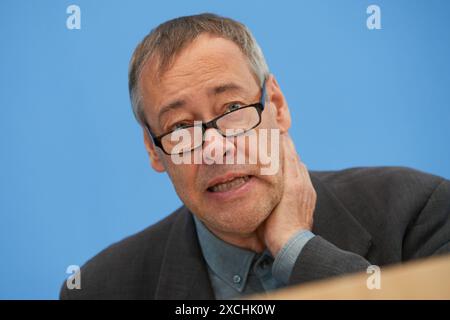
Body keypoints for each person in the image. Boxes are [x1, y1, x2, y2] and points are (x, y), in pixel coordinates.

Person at [60, 13, 450, 300]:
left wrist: (298, 249)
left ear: (276, 105)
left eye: (232, 110)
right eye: (180, 129)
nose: (215, 147)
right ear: (154, 150)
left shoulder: (417, 211)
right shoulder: (100, 289)